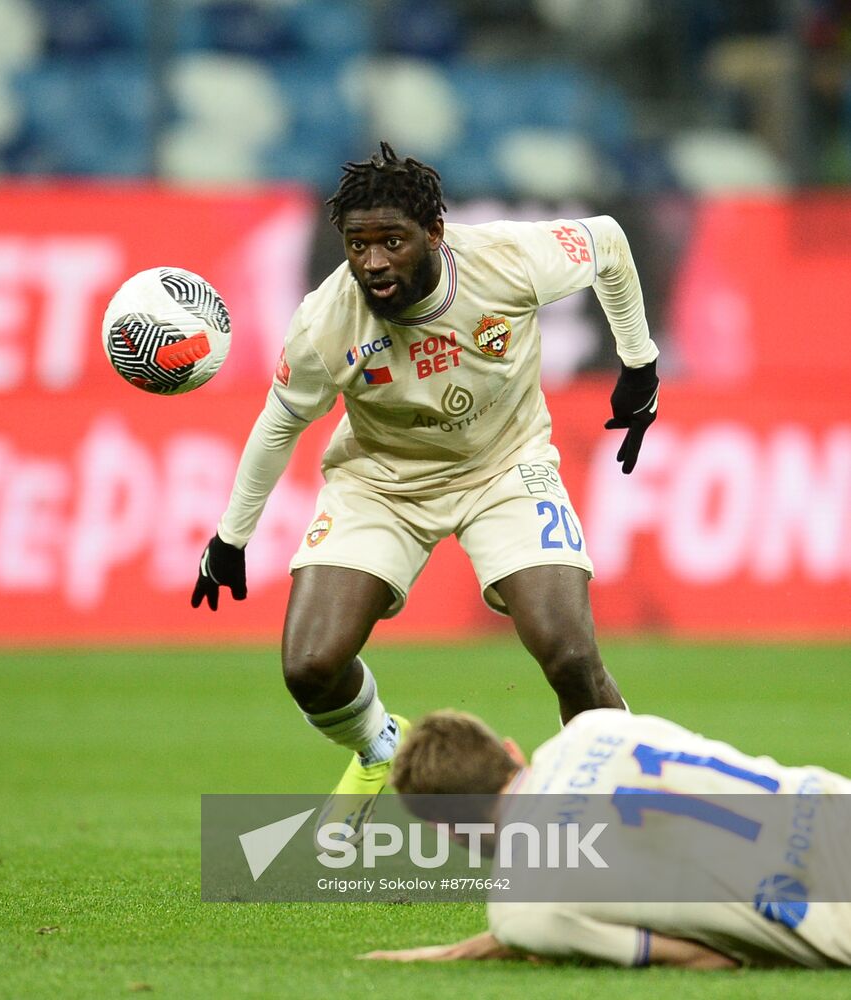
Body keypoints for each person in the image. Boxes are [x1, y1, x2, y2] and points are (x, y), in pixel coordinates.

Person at [191, 142, 659, 839]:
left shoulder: (505, 259)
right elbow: (278, 424)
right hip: (381, 481)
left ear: (434, 233)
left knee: (567, 650)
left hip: (506, 468)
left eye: (392, 241)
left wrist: (639, 362)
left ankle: (622, 811)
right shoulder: (326, 322)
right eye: (358, 244)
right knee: (311, 665)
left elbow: (611, 245)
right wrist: (232, 538)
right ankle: (380, 746)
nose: (373, 261)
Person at [362, 708, 851, 968]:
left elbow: (708, 959)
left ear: (447, 831)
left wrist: (528, 940)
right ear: (511, 751)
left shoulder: (522, 909)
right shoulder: (592, 727)